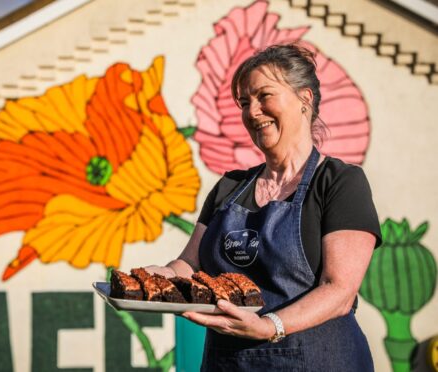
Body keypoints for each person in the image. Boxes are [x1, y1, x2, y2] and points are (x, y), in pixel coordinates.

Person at [146, 44, 382, 371]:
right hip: (229, 363)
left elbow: (339, 290)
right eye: (244, 102)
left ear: (305, 99)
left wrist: (269, 325)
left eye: (264, 96)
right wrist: (159, 278)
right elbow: (190, 264)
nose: (252, 112)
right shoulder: (229, 187)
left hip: (317, 361)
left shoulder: (339, 183)